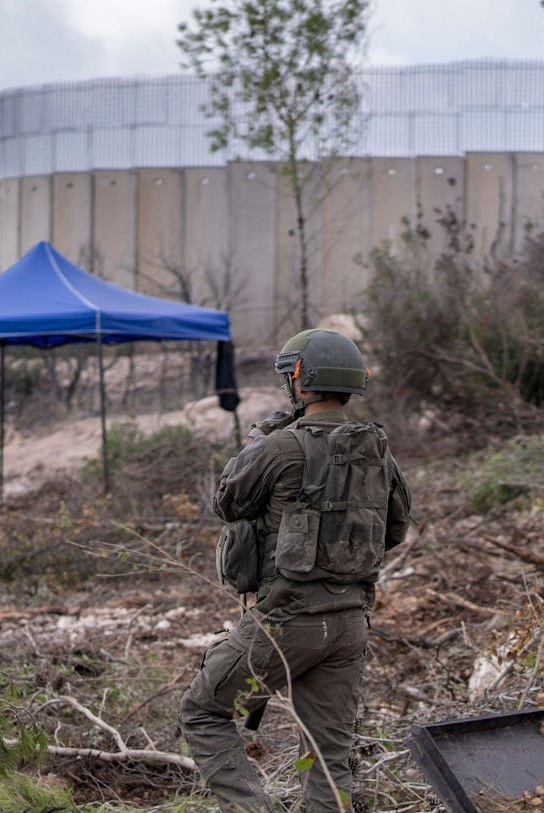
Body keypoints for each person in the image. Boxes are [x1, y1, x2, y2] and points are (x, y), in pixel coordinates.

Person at [179, 328, 412, 813]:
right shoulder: (377, 450)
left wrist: (263, 441)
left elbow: (228, 502)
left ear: (300, 381)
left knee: (202, 712)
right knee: (328, 756)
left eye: (290, 375)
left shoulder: (280, 447)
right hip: (348, 625)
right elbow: (395, 528)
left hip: (286, 623)